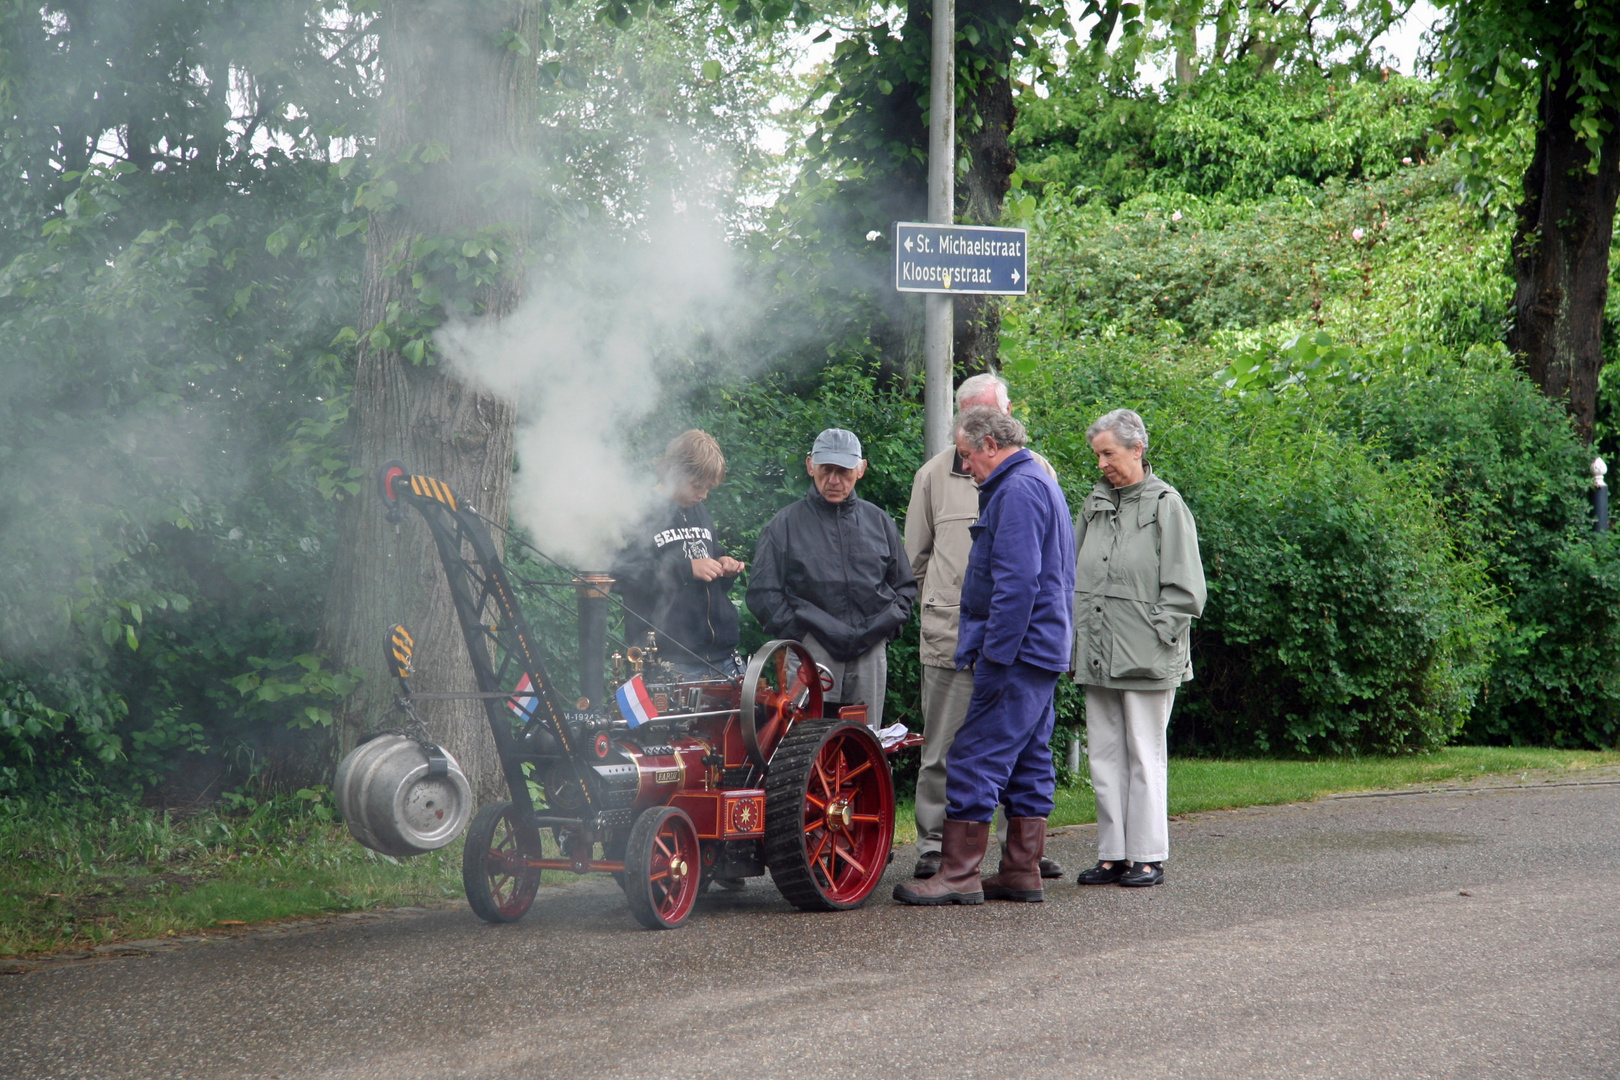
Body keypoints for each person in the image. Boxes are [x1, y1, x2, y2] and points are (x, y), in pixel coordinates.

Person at [894, 407, 1074, 906]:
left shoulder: (1016, 491)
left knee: (974, 753)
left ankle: (958, 874)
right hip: (1042, 651)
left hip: (1017, 653)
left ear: (992, 444)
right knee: (1029, 759)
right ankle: (1021, 871)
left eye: (969, 455)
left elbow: (1017, 585)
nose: (965, 465)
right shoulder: (1038, 479)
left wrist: (994, 656)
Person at [1070, 409, 1205, 888]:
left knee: (1144, 755)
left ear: (1137, 448)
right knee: (1103, 756)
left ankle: (1146, 855)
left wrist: (1157, 636)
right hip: (1097, 651)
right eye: (1098, 455)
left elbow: (1187, 590)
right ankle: (1113, 854)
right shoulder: (1094, 504)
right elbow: (1071, 574)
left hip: (1146, 656)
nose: (1102, 463)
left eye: (1108, 453)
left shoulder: (1167, 503)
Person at [747, 428, 916, 728]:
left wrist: (884, 631)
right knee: (802, 747)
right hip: (811, 650)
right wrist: (801, 636)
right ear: (811, 465)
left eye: (844, 471)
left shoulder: (880, 522)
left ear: (861, 469)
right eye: (827, 470)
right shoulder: (783, 525)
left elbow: (904, 586)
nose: (834, 480)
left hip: (870, 650)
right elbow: (762, 591)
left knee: (864, 742)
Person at [610, 430, 746, 680]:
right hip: (669, 664)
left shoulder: (698, 509)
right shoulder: (638, 511)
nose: (703, 495)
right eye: (697, 486)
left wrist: (724, 565)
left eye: (708, 489)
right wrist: (687, 568)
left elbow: (708, 558)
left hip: (724, 660)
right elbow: (620, 576)